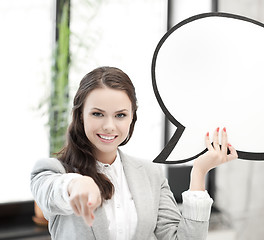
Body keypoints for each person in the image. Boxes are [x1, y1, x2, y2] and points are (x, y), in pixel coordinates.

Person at [31, 66, 238, 240]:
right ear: (81, 116)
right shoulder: (53, 171)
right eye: (97, 114)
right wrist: (75, 184)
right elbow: (50, 192)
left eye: (120, 115)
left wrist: (199, 172)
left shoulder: (150, 174)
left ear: (132, 118)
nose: (109, 126)